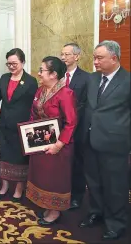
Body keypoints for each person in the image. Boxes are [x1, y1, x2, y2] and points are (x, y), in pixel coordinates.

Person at [79, 41, 130, 240]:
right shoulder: (92, 80)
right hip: (90, 140)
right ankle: (96, 212)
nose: (95, 62)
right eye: (94, 57)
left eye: (99, 58)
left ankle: (116, 222)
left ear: (114, 58)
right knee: (94, 182)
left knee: (115, 185)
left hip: (115, 144)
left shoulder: (127, 81)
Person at [26, 56, 77, 225]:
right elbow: (33, 114)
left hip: (58, 147)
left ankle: (55, 211)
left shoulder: (66, 93)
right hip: (41, 142)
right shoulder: (40, 91)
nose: (39, 73)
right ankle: (47, 206)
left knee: (55, 178)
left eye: (42, 70)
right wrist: (30, 136)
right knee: (43, 176)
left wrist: (59, 144)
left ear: (54, 74)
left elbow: (71, 123)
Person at [0, 48, 38, 202]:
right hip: (4, 124)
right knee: (4, 155)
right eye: (9, 64)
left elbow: (34, 105)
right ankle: (5, 185)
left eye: (14, 63)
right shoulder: (4, 78)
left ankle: (19, 188)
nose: (11, 66)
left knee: (20, 157)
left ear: (23, 62)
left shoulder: (31, 81)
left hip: (22, 125)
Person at [60, 43, 90, 210]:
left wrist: (69, 116)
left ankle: (77, 196)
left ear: (76, 56)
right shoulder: (58, 76)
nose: (63, 57)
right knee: (62, 163)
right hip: (59, 127)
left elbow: (84, 104)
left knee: (77, 162)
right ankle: (61, 192)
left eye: (67, 54)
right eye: (62, 54)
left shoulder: (86, 78)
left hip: (77, 128)